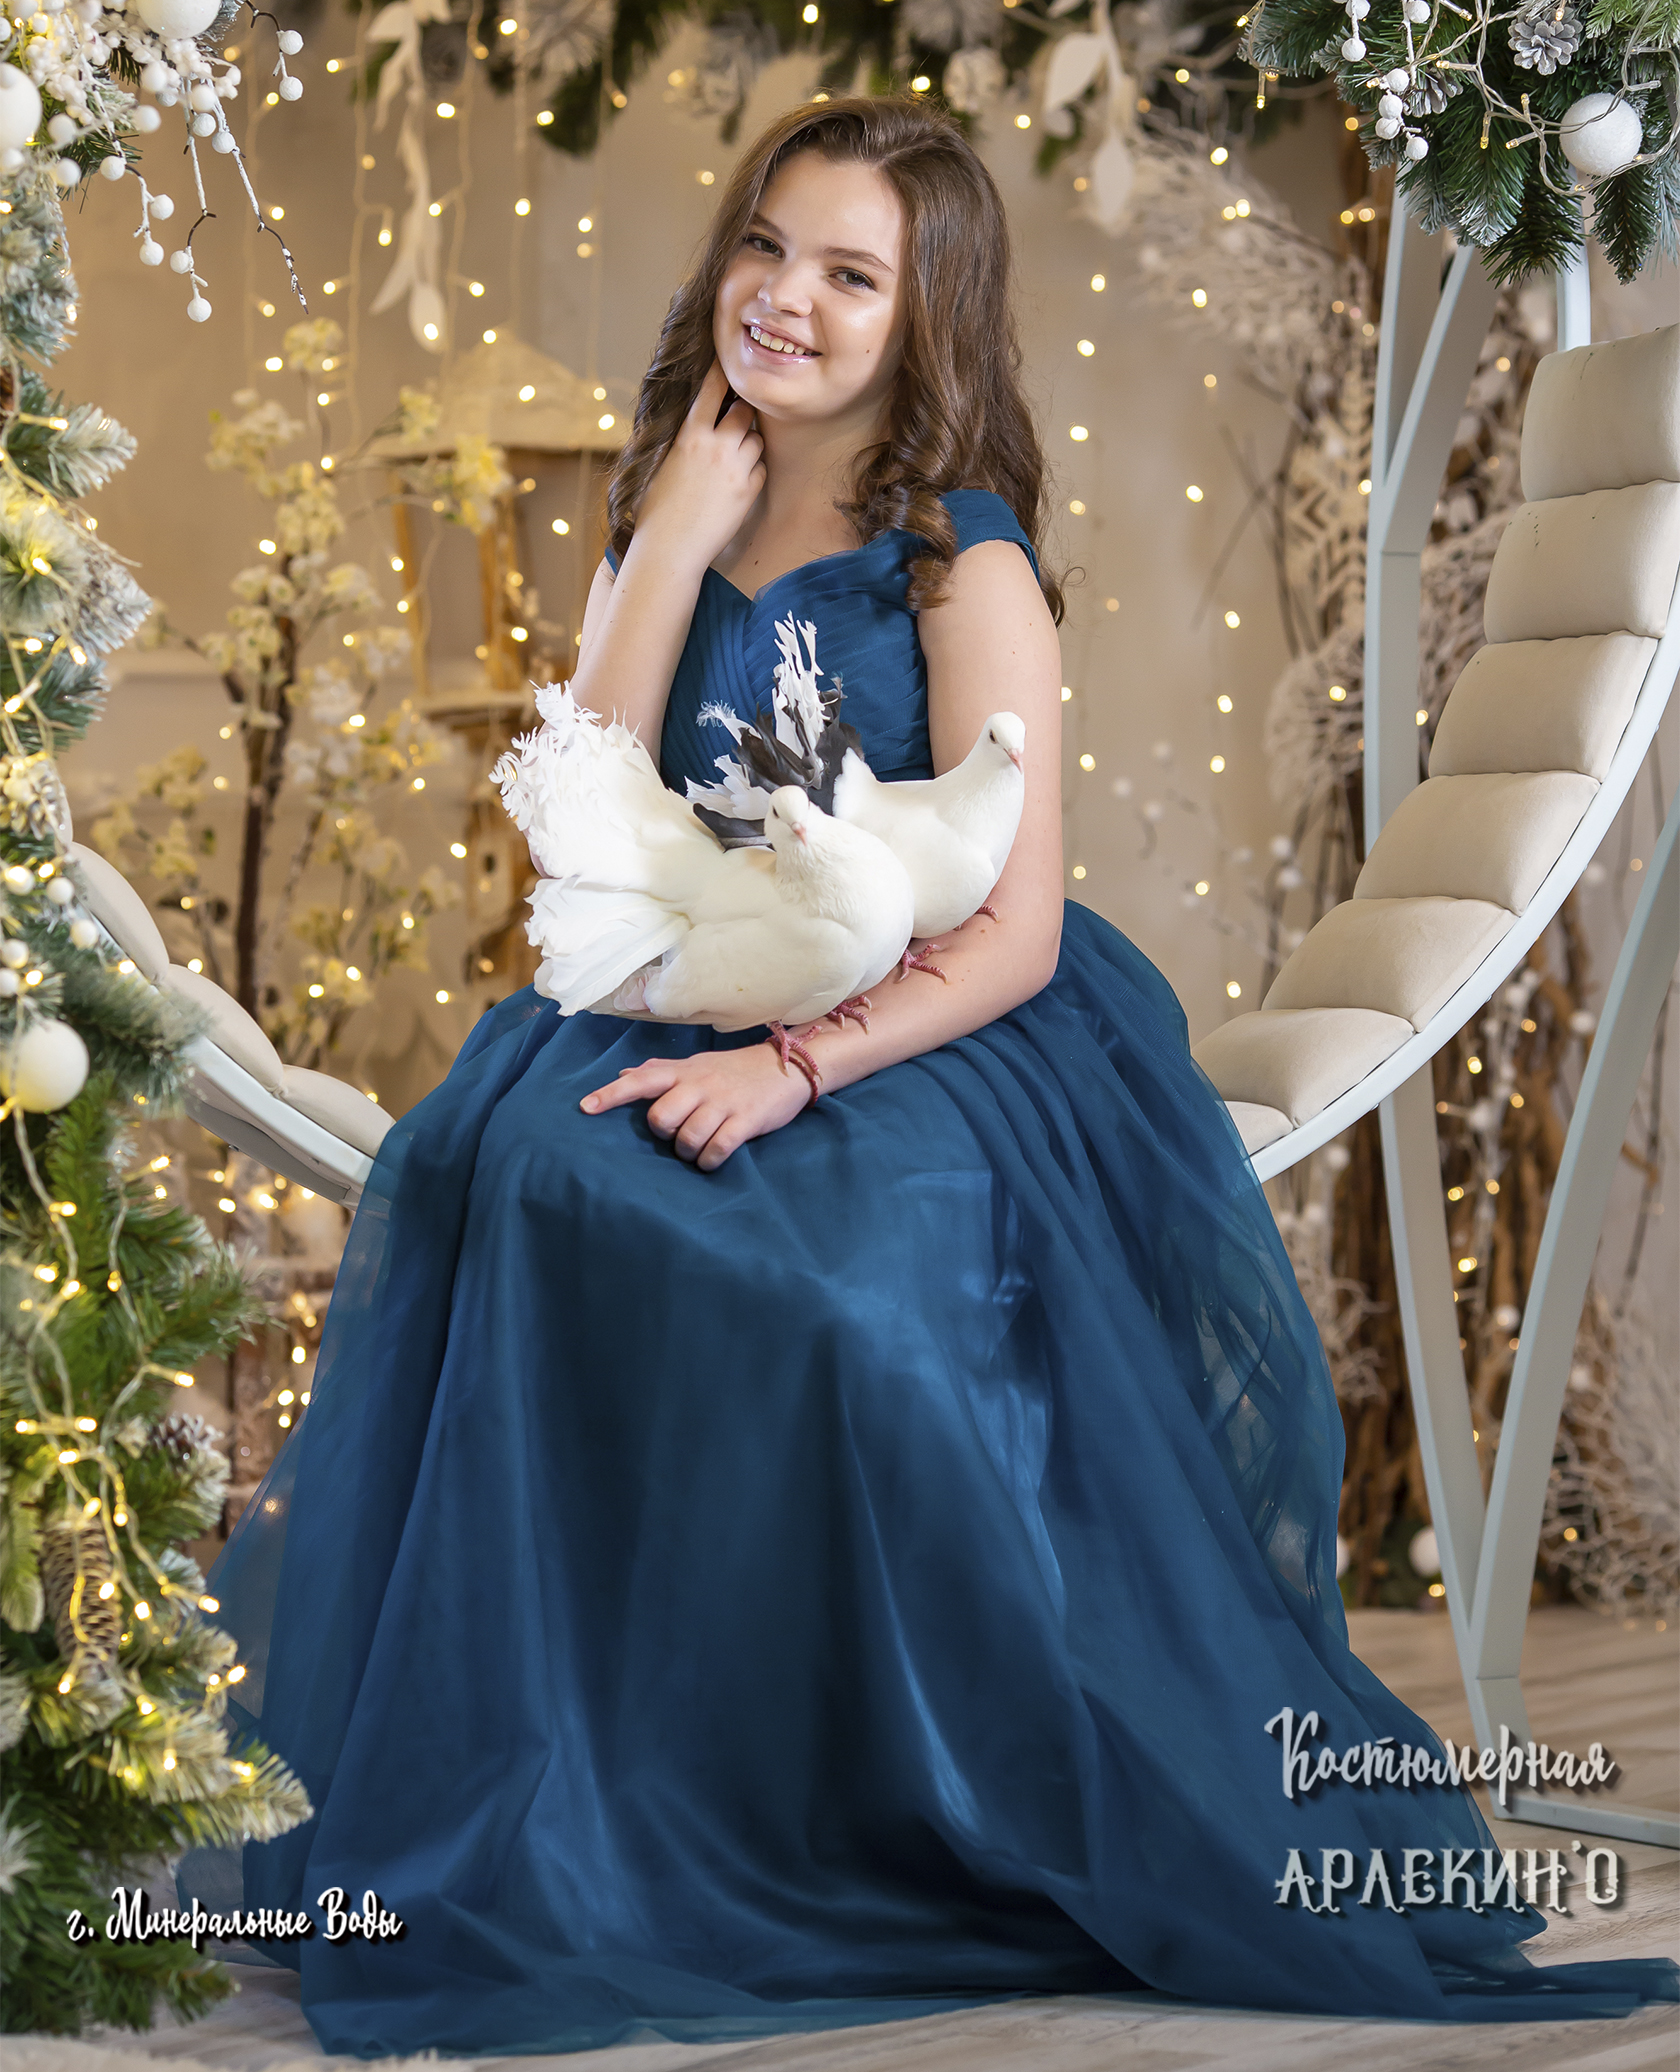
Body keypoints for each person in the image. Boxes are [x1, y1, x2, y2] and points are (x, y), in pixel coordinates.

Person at [178, 95, 1678, 2057]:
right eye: (766, 246)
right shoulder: (679, 496)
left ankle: (852, 1792)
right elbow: (575, 815)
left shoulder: (962, 562)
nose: (786, 298)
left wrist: (796, 1073)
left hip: (930, 1028)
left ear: (924, 316)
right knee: (513, 1175)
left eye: (850, 274)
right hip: (679, 979)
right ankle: (596, 1788)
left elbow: (1018, 931)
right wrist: (670, 544)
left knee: (822, 1281)